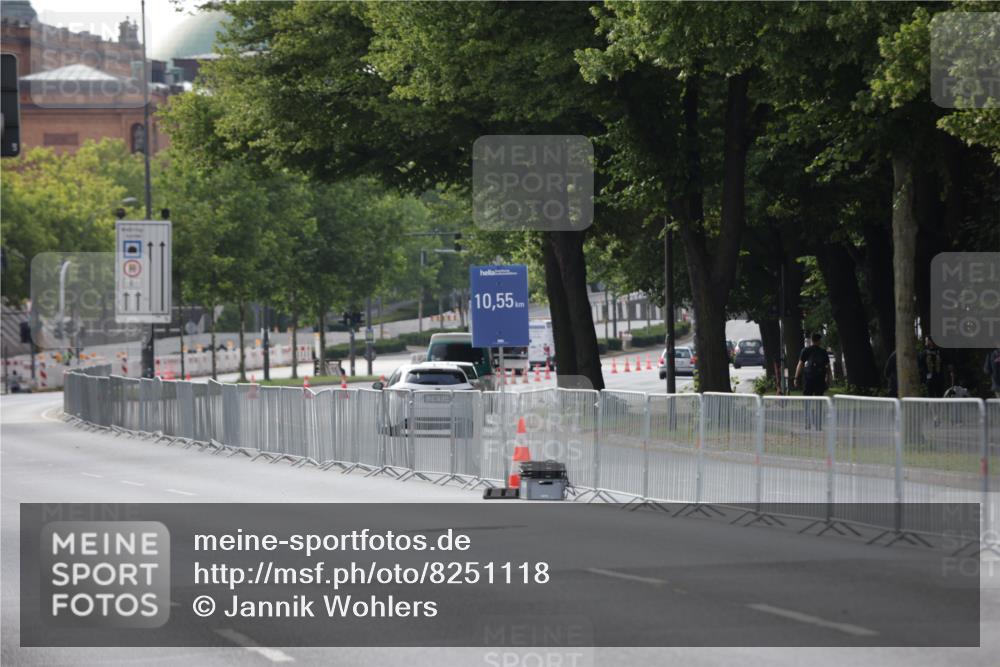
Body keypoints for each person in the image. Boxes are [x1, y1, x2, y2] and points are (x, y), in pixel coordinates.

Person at [795, 332, 832, 430]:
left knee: (807, 401)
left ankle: (807, 423)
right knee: (819, 401)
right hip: (820, 379)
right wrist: (829, 378)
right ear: (819, 341)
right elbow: (828, 367)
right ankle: (818, 425)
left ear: (812, 340)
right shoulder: (823, 352)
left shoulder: (805, 351)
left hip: (808, 379)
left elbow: (800, 365)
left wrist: (796, 378)